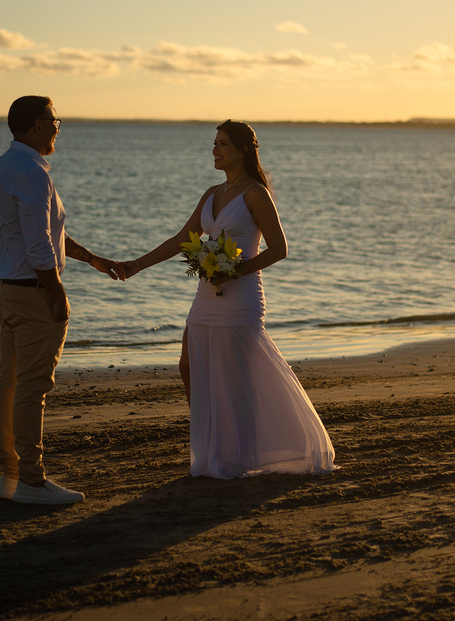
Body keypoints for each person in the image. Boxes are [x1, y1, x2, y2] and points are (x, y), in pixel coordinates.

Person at [123, 121, 335, 479]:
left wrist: (234, 270)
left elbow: (279, 249)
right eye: (214, 143)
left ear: (242, 150)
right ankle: (212, 448)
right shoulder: (211, 193)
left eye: (222, 144)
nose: (215, 150)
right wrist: (136, 265)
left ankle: (242, 453)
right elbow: (182, 238)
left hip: (241, 295)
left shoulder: (255, 193)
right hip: (206, 293)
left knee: (237, 377)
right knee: (190, 367)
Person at [0, 95, 125, 504]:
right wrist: (56, 291)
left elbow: (48, 233)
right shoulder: (32, 172)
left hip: (7, 290)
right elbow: (38, 244)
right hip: (31, 294)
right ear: (34, 126)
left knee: (9, 387)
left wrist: (92, 259)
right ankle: (31, 479)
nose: (58, 125)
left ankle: (10, 477)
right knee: (31, 389)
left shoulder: (4, 166)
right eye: (53, 118)